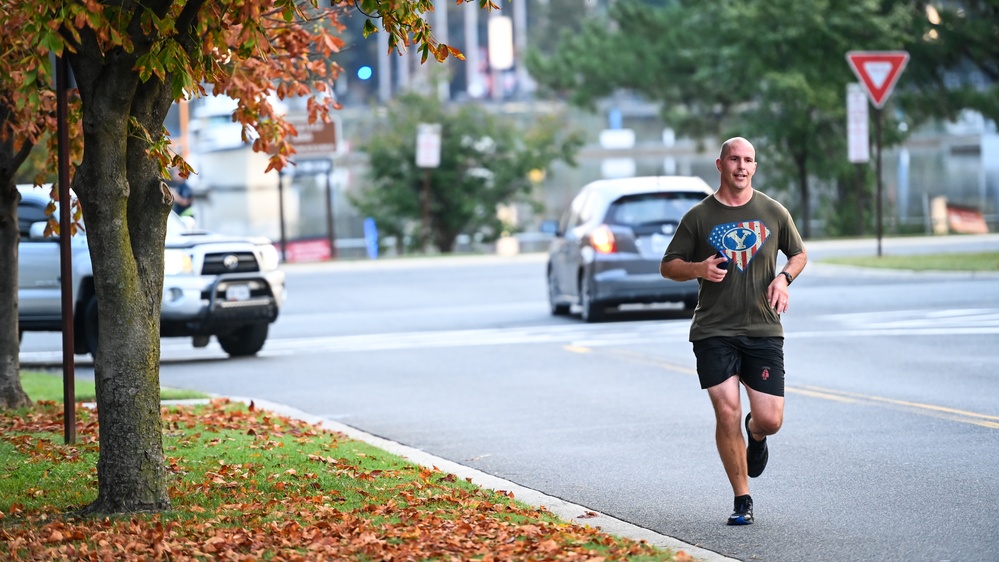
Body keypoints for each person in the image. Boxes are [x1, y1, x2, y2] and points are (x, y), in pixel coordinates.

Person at [660, 137, 807, 526]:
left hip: (762, 328)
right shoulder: (698, 217)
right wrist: (697, 269)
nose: (741, 166)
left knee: (770, 419)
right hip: (713, 329)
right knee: (727, 411)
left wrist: (784, 279)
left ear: (754, 167)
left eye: (748, 160)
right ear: (720, 164)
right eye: (734, 159)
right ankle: (742, 499)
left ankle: (755, 436)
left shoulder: (773, 212)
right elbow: (668, 265)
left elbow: (799, 252)